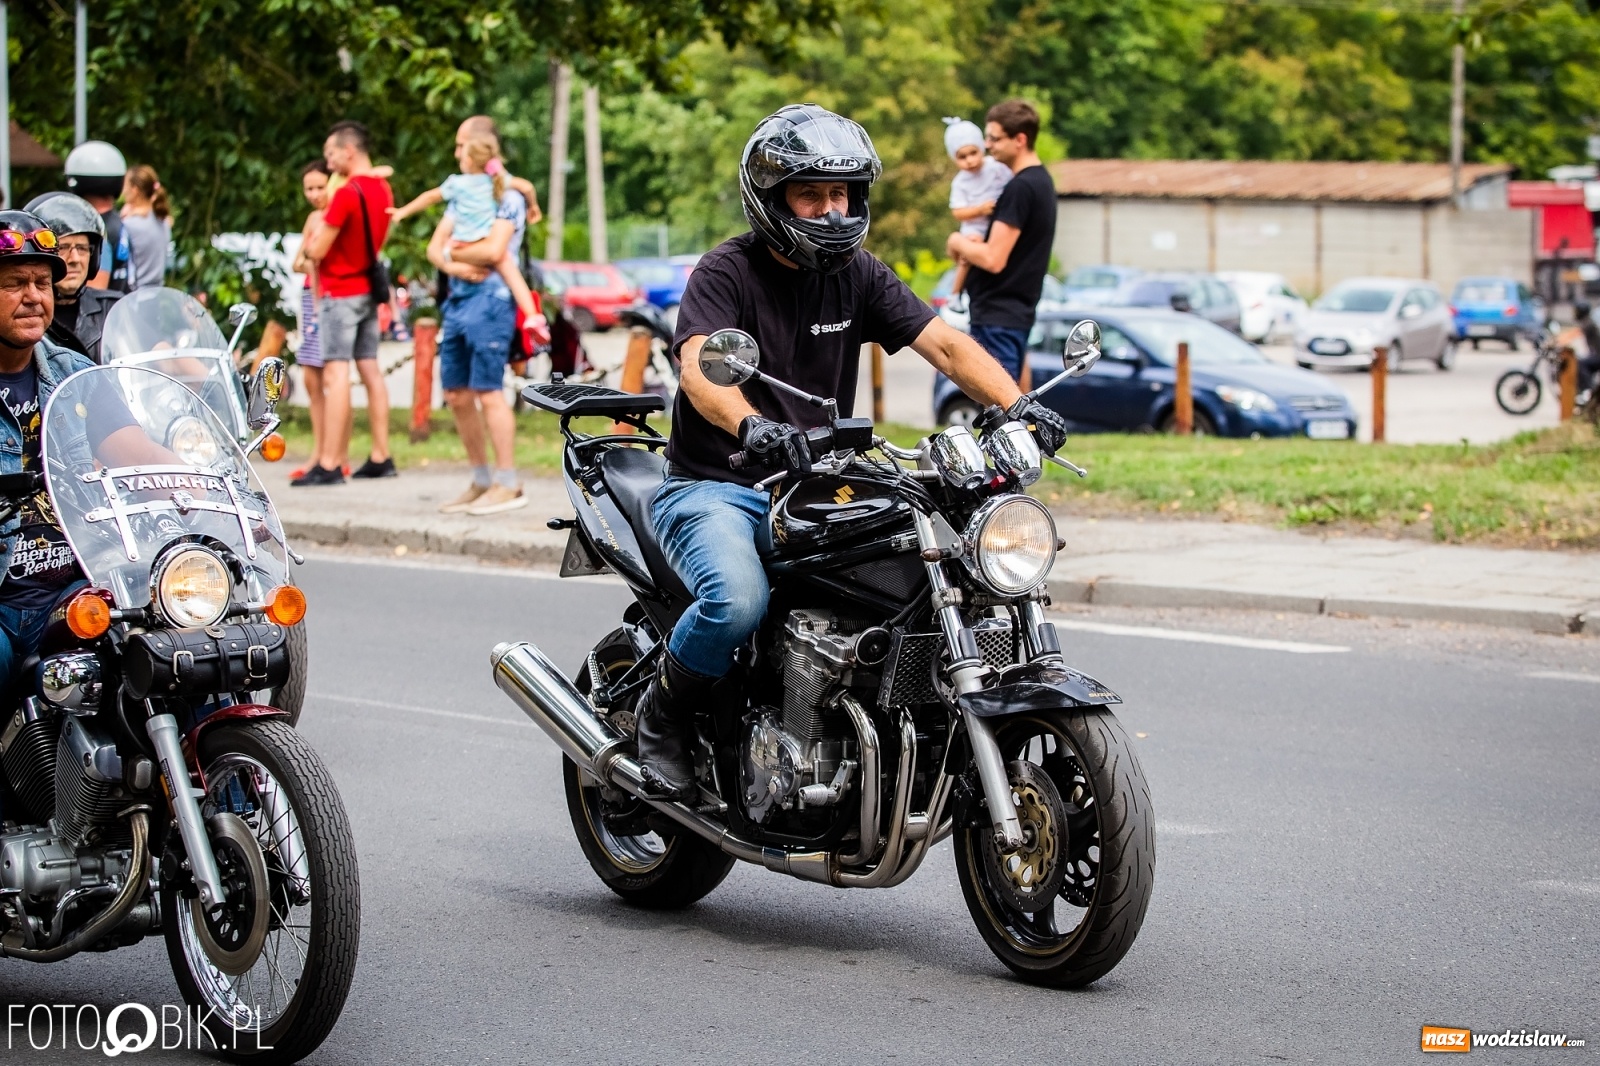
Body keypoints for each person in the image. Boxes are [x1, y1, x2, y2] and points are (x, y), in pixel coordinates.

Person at [632, 103, 1067, 798]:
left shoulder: (859, 274)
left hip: (820, 485)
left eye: (841, 193)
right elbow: (699, 369)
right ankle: (661, 719)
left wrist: (1016, 404)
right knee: (738, 602)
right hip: (720, 486)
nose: (831, 210)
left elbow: (944, 344)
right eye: (810, 194)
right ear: (771, 198)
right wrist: (751, 427)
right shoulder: (726, 272)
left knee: (923, 573)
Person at [0, 211, 173, 698]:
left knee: (163, 654)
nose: (33, 296)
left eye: (42, 283)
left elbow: (137, 452)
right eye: (15, 284)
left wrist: (212, 491)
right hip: (3, 600)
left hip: (75, 590)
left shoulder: (72, 372)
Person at [424, 117, 534, 515]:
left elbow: (493, 251)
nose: (455, 153)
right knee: (456, 393)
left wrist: (454, 251)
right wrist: (453, 262)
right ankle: (482, 479)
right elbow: (434, 248)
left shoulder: (509, 195)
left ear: (481, 147)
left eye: (461, 145)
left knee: (489, 391)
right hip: (457, 301)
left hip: (492, 301)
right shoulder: (463, 194)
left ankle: (508, 482)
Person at [296, 120, 396, 485]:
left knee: (336, 374)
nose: (328, 161)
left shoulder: (346, 193)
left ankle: (330, 462)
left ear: (348, 151)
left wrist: (311, 244)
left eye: (331, 153)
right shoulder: (382, 189)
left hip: (339, 292)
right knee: (370, 369)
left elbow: (317, 250)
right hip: (369, 290)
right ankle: (381, 454)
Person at [386, 126, 543, 330]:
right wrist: (533, 207)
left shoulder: (457, 184)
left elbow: (430, 197)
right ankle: (533, 316)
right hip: (483, 242)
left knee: (484, 260)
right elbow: (527, 187)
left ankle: (525, 313)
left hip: (460, 243)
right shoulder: (497, 183)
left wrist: (403, 211)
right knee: (510, 270)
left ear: (468, 161)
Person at [945, 100, 1057, 383]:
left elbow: (993, 259)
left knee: (999, 403)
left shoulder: (1021, 187)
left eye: (994, 138)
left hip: (997, 317)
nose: (988, 145)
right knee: (1015, 399)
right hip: (1013, 315)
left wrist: (956, 240)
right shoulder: (1040, 181)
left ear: (1019, 140)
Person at [25, 192, 123, 361]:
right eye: (63, 248)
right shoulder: (23, 315)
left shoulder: (114, 309)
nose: (75, 259)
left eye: (82, 248)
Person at [291, 160, 337, 480]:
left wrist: (311, 259)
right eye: (309, 188)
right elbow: (299, 261)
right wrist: (310, 261)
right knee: (311, 378)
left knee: (334, 379)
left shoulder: (337, 217)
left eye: (320, 186)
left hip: (330, 298)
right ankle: (318, 452)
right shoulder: (312, 219)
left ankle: (334, 454)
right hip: (310, 297)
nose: (315, 194)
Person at [943, 117, 1012, 299]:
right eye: (962, 157)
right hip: (974, 227)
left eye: (973, 153)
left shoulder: (996, 167)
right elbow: (958, 212)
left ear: (982, 148)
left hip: (999, 221)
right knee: (967, 257)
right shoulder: (960, 182)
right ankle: (956, 293)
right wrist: (979, 210)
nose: (970, 160)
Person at [62, 140, 133, 293]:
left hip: (105, 307)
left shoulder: (96, 229)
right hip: (120, 303)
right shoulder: (116, 222)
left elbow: (96, 291)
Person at [120, 165, 172, 290]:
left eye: (125, 186)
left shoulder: (130, 225)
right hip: (157, 292)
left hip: (135, 295)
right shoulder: (164, 222)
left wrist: (121, 219)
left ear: (135, 190)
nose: (123, 191)